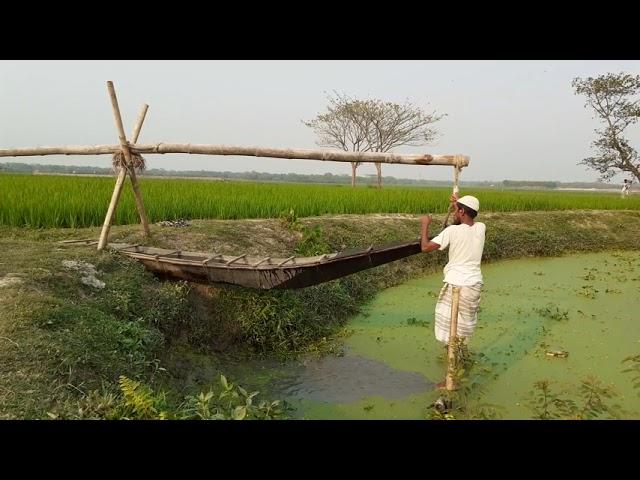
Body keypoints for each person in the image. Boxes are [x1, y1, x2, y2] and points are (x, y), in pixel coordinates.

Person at [420, 192, 486, 353]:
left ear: (462, 212)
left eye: (457, 210)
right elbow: (465, 221)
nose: (455, 213)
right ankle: (457, 362)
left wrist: (425, 225)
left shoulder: (451, 232)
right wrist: (459, 202)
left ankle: (451, 372)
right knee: (462, 327)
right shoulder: (481, 228)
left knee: (451, 328)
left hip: (457, 285)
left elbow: (425, 247)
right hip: (474, 285)